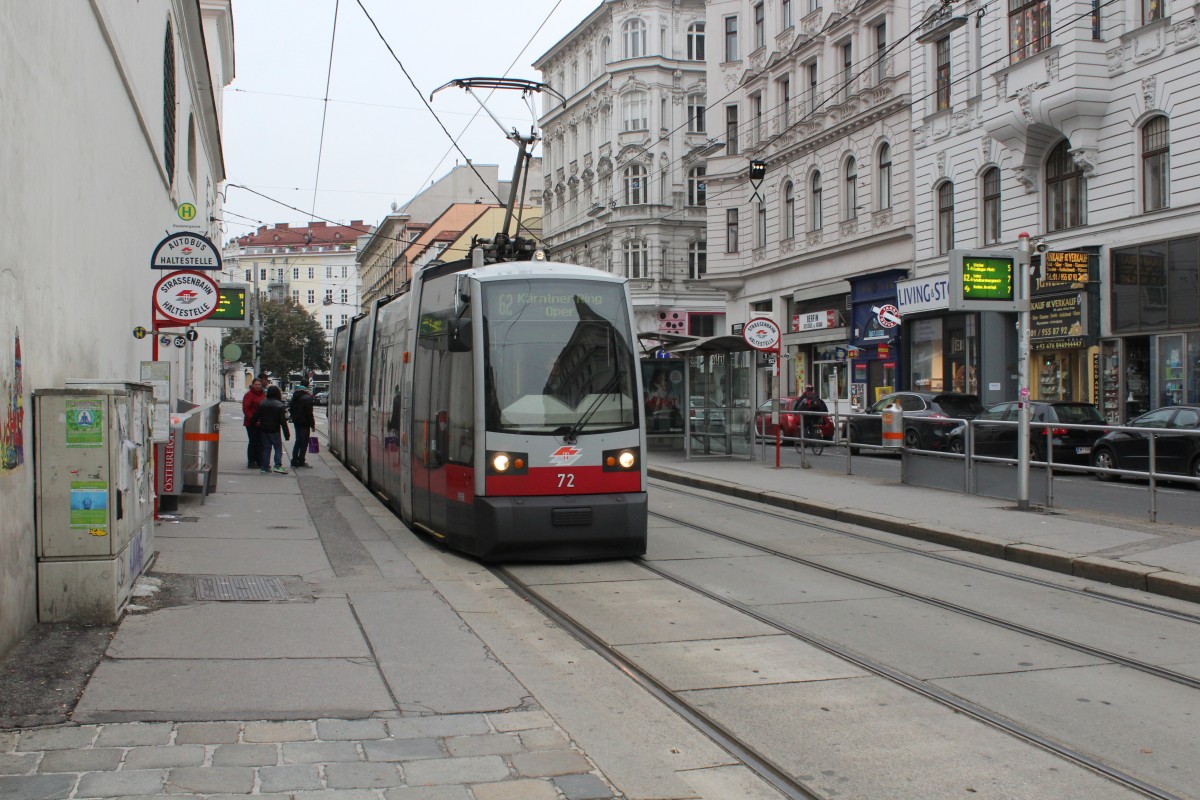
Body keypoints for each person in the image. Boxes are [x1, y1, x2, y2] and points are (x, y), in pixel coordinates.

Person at [252, 385, 291, 474]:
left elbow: (255, 416)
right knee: (277, 448)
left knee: (266, 448)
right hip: (275, 430)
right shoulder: (280, 405)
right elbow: (283, 422)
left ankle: (264, 467)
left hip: (264, 429)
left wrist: (254, 424)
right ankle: (277, 465)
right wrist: (287, 434)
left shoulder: (262, 403)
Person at [288, 384, 316, 469]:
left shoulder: (294, 397)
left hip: (297, 422)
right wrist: (312, 424)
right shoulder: (307, 398)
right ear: (305, 390)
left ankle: (294, 461)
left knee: (298, 441)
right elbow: (309, 413)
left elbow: (291, 409)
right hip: (305, 423)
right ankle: (301, 461)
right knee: (304, 443)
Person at [241, 378, 266, 469]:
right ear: (252, 385)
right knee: (253, 442)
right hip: (251, 423)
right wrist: (254, 420)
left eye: (259, 384)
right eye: (256, 384)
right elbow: (246, 409)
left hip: (261, 422)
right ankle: (251, 461)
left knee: (260, 442)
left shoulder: (263, 394)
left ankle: (260, 460)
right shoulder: (249, 395)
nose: (258, 386)